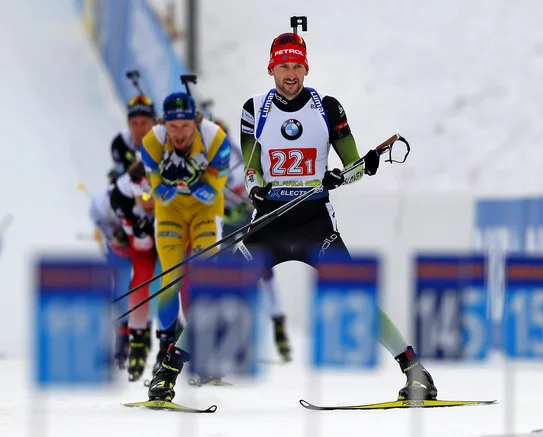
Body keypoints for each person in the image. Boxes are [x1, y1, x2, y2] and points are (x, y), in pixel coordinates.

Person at [146, 31, 437, 403]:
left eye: (297, 66)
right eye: (284, 65)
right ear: (272, 68)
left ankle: (417, 372)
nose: (291, 73)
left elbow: (353, 168)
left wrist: (348, 172)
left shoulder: (327, 108)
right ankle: (168, 372)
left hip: (316, 226)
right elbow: (251, 168)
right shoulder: (255, 109)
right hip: (269, 223)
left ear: (305, 68)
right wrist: (257, 188)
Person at [140, 92, 231, 381]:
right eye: (173, 127)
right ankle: (165, 349)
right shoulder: (151, 142)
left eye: (186, 126)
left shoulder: (215, 137)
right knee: (170, 278)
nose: (179, 134)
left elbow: (214, 189)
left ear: (196, 121)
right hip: (171, 212)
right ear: (163, 124)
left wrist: (188, 180)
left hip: (205, 210)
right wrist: (175, 181)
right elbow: (159, 192)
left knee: (204, 277)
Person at [217, 119, 292, 362]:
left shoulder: (236, 157)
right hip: (227, 221)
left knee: (264, 270)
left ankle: (278, 323)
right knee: (224, 273)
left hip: (246, 218)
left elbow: (245, 186)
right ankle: (227, 333)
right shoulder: (205, 154)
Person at [110, 161, 159, 381]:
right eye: (143, 196)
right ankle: (137, 341)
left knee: (173, 280)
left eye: (150, 195)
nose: (146, 202)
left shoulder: (161, 181)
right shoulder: (121, 195)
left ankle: (168, 340)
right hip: (140, 232)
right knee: (141, 276)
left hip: (167, 220)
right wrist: (138, 233)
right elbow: (142, 245)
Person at [88, 183, 133, 370]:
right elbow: (100, 228)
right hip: (114, 254)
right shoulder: (100, 203)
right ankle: (108, 349)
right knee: (111, 298)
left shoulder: (132, 196)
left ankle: (123, 347)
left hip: (131, 253)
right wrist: (112, 239)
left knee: (123, 296)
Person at [109, 95, 157, 182]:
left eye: (144, 123)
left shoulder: (165, 139)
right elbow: (121, 180)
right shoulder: (120, 143)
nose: (139, 130)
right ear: (128, 125)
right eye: (134, 124)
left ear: (154, 123)